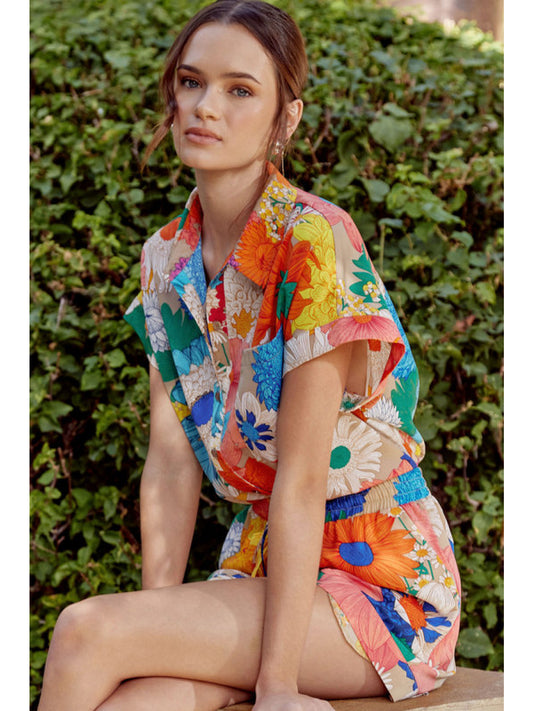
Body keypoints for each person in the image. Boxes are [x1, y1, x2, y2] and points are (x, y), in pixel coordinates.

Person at [37, 2, 461, 709]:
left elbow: (302, 477)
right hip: (259, 569)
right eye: (191, 82)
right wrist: (154, 628)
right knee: (130, 698)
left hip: (379, 584)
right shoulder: (165, 258)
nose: (205, 106)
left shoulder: (313, 240)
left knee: (85, 630)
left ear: (285, 119)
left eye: (240, 90)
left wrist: (277, 687)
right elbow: (170, 463)